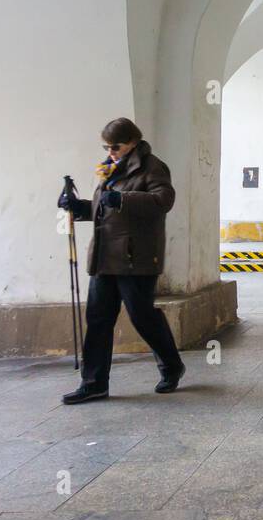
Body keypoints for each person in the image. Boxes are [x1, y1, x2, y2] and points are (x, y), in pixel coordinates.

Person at [57, 117, 184, 404]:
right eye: (106, 146)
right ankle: (94, 383)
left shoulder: (152, 166)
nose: (110, 151)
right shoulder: (110, 170)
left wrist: (123, 199)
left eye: (116, 146)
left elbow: (164, 200)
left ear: (133, 142)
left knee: (142, 316)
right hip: (105, 256)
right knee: (98, 318)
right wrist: (79, 208)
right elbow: (106, 207)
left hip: (135, 256)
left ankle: (172, 365)